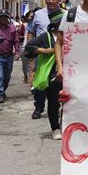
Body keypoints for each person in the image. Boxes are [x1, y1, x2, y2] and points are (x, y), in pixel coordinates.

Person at [25, 10, 64, 140]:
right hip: (52, 75)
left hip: (69, 74)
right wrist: (44, 50)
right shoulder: (46, 37)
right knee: (53, 103)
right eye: (59, 21)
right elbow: (29, 48)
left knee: (69, 103)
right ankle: (55, 128)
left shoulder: (71, 34)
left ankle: (67, 125)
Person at [27, 0, 62, 119]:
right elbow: (30, 32)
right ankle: (38, 108)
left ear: (59, 0)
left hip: (58, 54)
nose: (51, 1)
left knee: (57, 83)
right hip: (41, 53)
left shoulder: (65, 15)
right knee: (40, 81)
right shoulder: (38, 14)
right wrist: (32, 55)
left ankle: (56, 107)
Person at [0, 10, 20, 103]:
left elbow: (16, 41)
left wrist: (17, 52)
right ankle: (0, 94)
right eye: (1, 17)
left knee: (7, 77)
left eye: (5, 17)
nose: (3, 18)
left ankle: (2, 90)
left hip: (8, 56)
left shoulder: (12, 29)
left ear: (7, 17)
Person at [20, 11, 34, 83]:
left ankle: (32, 82)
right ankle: (25, 75)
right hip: (24, 47)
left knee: (32, 66)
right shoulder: (24, 25)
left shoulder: (36, 25)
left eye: (33, 16)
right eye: (30, 16)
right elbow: (25, 37)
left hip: (34, 48)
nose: (31, 17)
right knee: (25, 65)